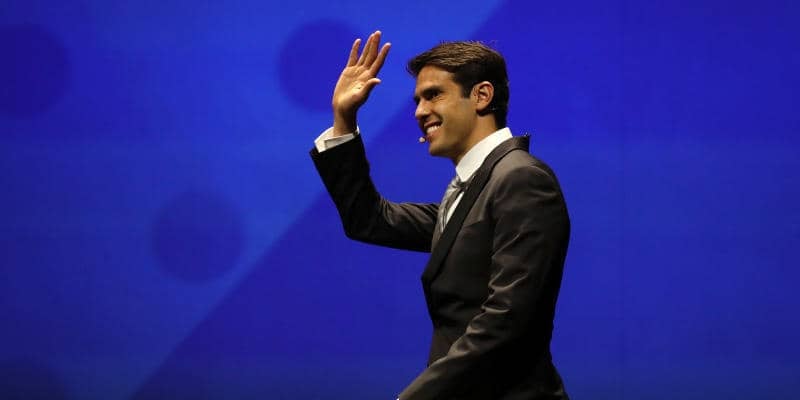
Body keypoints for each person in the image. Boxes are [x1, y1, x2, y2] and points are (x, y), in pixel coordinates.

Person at [310, 31, 571, 399]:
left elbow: (507, 322)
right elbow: (371, 220)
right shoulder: (476, 188)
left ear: (481, 96)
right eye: (418, 100)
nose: (419, 111)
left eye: (433, 95)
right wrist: (344, 119)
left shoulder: (520, 179)